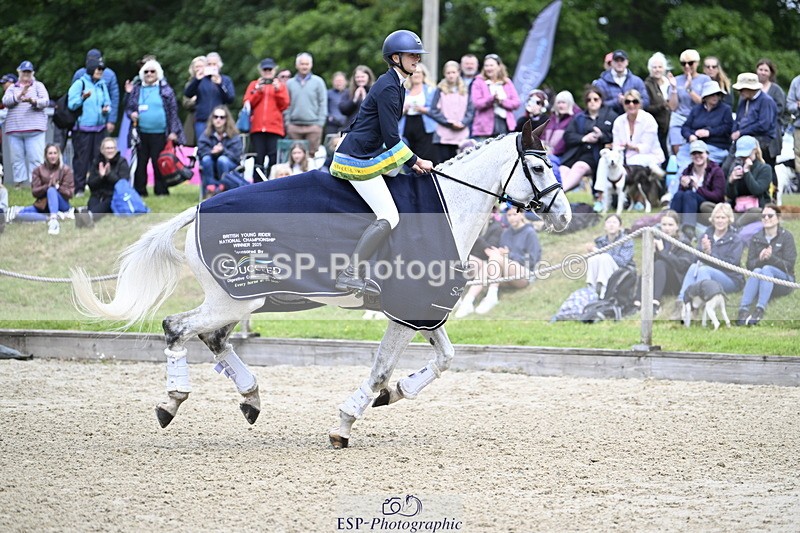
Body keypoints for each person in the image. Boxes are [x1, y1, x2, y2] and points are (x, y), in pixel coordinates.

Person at [329, 29, 434, 295]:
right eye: (412, 55)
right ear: (396, 57)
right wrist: (415, 161)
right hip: (357, 159)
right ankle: (350, 274)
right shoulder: (389, 86)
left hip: (366, 154)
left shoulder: (396, 84)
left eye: (418, 55)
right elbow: (391, 137)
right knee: (389, 215)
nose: (417, 60)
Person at [454, 208, 541, 317]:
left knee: (495, 257)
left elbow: (533, 260)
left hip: (524, 273)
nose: (512, 218)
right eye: (509, 215)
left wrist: (509, 255)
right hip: (504, 273)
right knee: (490, 261)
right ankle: (468, 301)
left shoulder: (530, 232)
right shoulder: (506, 233)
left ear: (522, 215)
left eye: (515, 214)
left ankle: (491, 297)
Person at [125, 59, 185, 197]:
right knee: (141, 163)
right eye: (146, 72)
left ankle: (161, 190)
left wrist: (173, 132)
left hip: (160, 133)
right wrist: (132, 114)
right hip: (141, 133)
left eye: (153, 71)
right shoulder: (137, 89)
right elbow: (128, 108)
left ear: (158, 73)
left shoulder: (166, 90)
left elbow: (173, 112)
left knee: (159, 162)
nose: (149, 74)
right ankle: (140, 191)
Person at [737, 204, 796, 326]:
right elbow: (750, 266)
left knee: (766, 268)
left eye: (770, 215)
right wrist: (760, 258)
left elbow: (789, 265)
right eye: (763, 216)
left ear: (778, 218)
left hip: (784, 282)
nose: (766, 218)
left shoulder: (786, 237)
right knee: (758, 270)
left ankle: (760, 309)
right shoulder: (756, 237)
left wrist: (771, 258)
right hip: (761, 280)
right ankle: (743, 311)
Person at [559, 86, 617, 192]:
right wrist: (584, 138)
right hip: (576, 153)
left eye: (595, 99)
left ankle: (559, 194)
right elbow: (568, 136)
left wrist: (602, 136)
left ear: (601, 100)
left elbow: (616, 137)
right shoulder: (579, 117)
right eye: (589, 100)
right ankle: (558, 198)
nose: (592, 102)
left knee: (579, 166)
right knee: (563, 169)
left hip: (597, 155)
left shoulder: (611, 116)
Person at [1, 61, 49, 189]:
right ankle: (19, 184)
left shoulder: (38, 86)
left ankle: (36, 184)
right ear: (19, 72)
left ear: (32, 73)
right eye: (24, 72)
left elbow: (46, 101)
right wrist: (20, 95)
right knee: (17, 159)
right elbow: (5, 101)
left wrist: (33, 101)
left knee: (36, 158)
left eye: (28, 72)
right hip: (14, 129)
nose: (26, 74)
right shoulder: (12, 88)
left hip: (35, 129)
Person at [68, 56, 111, 196]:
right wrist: (82, 98)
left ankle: (96, 187)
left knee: (98, 158)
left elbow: (107, 101)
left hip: (99, 128)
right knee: (81, 159)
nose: (101, 71)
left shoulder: (102, 84)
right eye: (98, 69)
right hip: (83, 128)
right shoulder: (79, 84)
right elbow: (71, 104)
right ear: (91, 69)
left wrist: (106, 108)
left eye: (102, 69)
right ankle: (79, 188)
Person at [669, 140, 725, 240]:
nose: (697, 156)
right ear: (690, 156)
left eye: (700, 153)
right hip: (690, 205)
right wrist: (683, 185)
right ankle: (671, 223)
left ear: (707, 154)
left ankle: (688, 229)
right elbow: (681, 194)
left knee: (689, 194)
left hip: (708, 206)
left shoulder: (716, 170)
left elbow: (718, 196)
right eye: (694, 153)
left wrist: (697, 188)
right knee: (679, 194)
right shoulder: (688, 170)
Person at [243, 57, 290, 174]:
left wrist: (278, 90)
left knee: (273, 159)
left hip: (275, 128)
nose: (268, 72)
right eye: (265, 70)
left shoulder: (280, 86)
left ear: (274, 70)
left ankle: (271, 183)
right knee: (258, 158)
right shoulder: (254, 84)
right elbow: (248, 103)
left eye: (270, 69)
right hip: (258, 128)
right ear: (261, 71)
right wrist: (258, 90)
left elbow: (285, 104)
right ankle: (257, 185)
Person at [667, 49, 711, 170]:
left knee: (696, 151)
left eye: (690, 63)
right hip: (679, 118)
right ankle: (682, 175)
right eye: (683, 63)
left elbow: (704, 102)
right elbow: (672, 107)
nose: (687, 66)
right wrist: (674, 88)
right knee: (678, 153)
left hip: (698, 120)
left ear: (697, 63)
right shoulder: (676, 80)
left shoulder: (705, 80)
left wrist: (689, 90)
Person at [184, 52, 235, 142]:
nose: (212, 66)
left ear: (219, 65)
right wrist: (197, 80)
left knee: (219, 147)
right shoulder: (200, 80)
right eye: (209, 64)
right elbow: (188, 94)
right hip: (202, 120)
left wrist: (220, 84)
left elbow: (230, 99)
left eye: (214, 64)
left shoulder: (226, 80)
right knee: (202, 147)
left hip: (220, 121)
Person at [428, 60, 474, 163]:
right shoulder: (440, 90)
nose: (451, 75)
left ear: (458, 72)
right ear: (444, 74)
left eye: (453, 72)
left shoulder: (466, 89)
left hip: (462, 135)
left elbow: (471, 111)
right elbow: (433, 111)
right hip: (443, 135)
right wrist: (448, 122)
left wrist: (463, 122)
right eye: (448, 73)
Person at [730, 72, 778, 169]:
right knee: (728, 167)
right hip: (742, 140)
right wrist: (734, 131)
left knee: (761, 171)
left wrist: (741, 132)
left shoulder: (766, 101)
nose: (740, 92)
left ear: (751, 89)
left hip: (762, 142)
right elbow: (738, 120)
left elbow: (764, 125)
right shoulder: (744, 101)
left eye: (742, 89)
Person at [650, 210, 693, 315]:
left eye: (670, 225)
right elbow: (652, 266)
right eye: (664, 224)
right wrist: (653, 253)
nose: (667, 228)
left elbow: (681, 266)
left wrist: (663, 251)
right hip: (660, 281)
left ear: (677, 226)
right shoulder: (658, 239)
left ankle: (655, 304)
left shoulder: (684, 242)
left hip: (677, 281)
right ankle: (636, 303)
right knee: (646, 271)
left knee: (661, 263)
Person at [469, 53, 521, 141]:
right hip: (484, 128)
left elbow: (516, 103)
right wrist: (492, 99)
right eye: (486, 65)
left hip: (505, 125)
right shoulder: (478, 82)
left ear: (499, 66)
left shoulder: (507, 82)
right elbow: (477, 103)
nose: (489, 68)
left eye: (491, 65)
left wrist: (501, 101)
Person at [680, 80, 733, 164]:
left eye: (717, 94)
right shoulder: (696, 109)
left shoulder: (725, 109)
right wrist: (690, 136)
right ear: (706, 96)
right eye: (712, 94)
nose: (715, 97)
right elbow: (685, 127)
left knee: (702, 163)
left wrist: (709, 132)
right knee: (683, 159)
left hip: (716, 146)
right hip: (695, 144)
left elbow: (728, 128)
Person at [26, 144, 74, 235]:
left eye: (55, 153)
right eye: (50, 153)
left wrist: (57, 187)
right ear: (46, 155)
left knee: (51, 190)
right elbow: (35, 192)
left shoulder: (66, 170)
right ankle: (49, 217)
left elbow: (70, 193)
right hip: (44, 204)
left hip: (62, 203)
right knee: (20, 214)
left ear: (58, 155)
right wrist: (47, 186)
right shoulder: (38, 170)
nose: (53, 156)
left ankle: (54, 221)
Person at [285, 52, 327, 156]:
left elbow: (323, 102)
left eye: (307, 64)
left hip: (313, 125)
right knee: (295, 155)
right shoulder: (289, 83)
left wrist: (320, 124)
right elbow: (286, 104)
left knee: (312, 156)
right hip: (294, 126)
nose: (304, 66)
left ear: (311, 65)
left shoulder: (318, 82)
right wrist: (287, 123)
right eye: (302, 64)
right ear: (297, 65)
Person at [585, 214, 635, 298]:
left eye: (614, 222)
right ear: (605, 227)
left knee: (605, 257)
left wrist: (599, 251)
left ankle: (604, 291)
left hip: (622, 270)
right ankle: (591, 288)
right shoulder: (601, 241)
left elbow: (623, 261)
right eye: (608, 222)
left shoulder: (627, 240)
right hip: (604, 269)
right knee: (593, 258)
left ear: (620, 226)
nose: (611, 225)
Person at [197, 105, 243, 196]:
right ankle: (211, 189)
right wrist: (211, 152)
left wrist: (222, 151)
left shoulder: (234, 135)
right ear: (212, 119)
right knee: (206, 159)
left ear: (226, 120)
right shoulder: (206, 134)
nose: (218, 120)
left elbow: (236, 156)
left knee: (222, 160)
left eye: (222, 117)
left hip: (229, 164)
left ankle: (224, 188)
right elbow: (201, 151)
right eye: (215, 117)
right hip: (211, 163)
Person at [726, 135, 772, 226]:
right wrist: (731, 182)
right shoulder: (736, 167)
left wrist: (747, 172)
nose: (743, 157)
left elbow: (757, 190)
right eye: (741, 155)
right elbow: (731, 196)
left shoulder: (765, 168)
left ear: (754, 150)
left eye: (746, 154)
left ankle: (736, 227)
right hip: (738, 208)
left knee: (755, 212)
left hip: (757, 208)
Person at [71, 49, 119, 135]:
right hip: (82, 123)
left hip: (102, 122)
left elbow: (114, 99)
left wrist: (111, 120)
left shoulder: (109, 75)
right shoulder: (79, 75)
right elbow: (72, 98)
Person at [398, 63, 438, 163]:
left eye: (419, 72)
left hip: (424, 125)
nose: (416, 75)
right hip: (407, 123)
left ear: (423, 75)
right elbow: (396, 111)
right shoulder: (404, 91)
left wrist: (423, 109)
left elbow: (437, 110)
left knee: (425, 155)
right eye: (414, 72)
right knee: (409, 155)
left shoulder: (430, 90)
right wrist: (404, 110)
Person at [593, 49, 649, 115]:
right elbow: (597, 105)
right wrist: (617, 102)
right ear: (612, 63)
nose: (619, 63)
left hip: (634, 120)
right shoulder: (601, 83)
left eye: (622, 60)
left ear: (627, 62)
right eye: (616, 60)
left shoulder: (637, 81)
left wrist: (631, 102)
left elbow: (646, 102)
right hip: (609, 121)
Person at [87, 137, 129, 218]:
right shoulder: (97, 162)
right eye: (107, 148)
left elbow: (123, 184)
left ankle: (89, 216)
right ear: (102, 150)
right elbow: (90, 184)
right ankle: (88, 216)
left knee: (105, 204)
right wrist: (100, 176)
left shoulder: (122, 162)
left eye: (112, 148)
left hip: (114, 196)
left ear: (116, 149)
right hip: (97, 195)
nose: (110, 150)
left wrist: (109, 174)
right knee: (93, 204)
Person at [643, 52, 672, 161]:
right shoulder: (646, 85)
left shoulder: (669, 82)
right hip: (656, 124)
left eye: (660, 67)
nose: (657, 70)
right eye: (654, 67)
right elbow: (646, 107)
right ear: (650, 69)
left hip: (671, 122)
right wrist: (662, 106)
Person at [540, 90, 580, 163]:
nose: (560, 105)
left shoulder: (575, 119)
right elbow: (543, 135)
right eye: (558, 103)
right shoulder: (552, 118)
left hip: (562, 157)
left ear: (570, 104)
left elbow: (565, 140)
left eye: (563, 103)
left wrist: (552, 152)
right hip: (546, 153)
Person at [339, 65, 375, 132]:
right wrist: (354, 100)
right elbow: (343, 110)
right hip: (351, 128)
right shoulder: (348, 92)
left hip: (369, 127)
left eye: (362, 77)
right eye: (357, 77)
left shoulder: (375, 91)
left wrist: (365, 99)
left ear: (368, 77)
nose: (360, 79)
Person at [181, 56, 206, 147]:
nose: (199, 69)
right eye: (197, 67)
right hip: (194, 117)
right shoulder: (190, 84)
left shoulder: (213, 82)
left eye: (201, 66)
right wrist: (194, 101)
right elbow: (186, 103)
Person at [325, 71, 348, 136]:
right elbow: (323, 107)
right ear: (332, 82)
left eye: (341, 81)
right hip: (332, 124)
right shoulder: (328, 93)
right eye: (337, 81)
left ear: (346, 82)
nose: (339, 83)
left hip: (347, 124)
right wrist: (328, 116)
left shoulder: (349, 93)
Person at [786, 72, 800, 178]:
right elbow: (789, 105)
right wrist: (797, 105)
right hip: (799, 126)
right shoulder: (796, 82)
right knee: (798, 156)